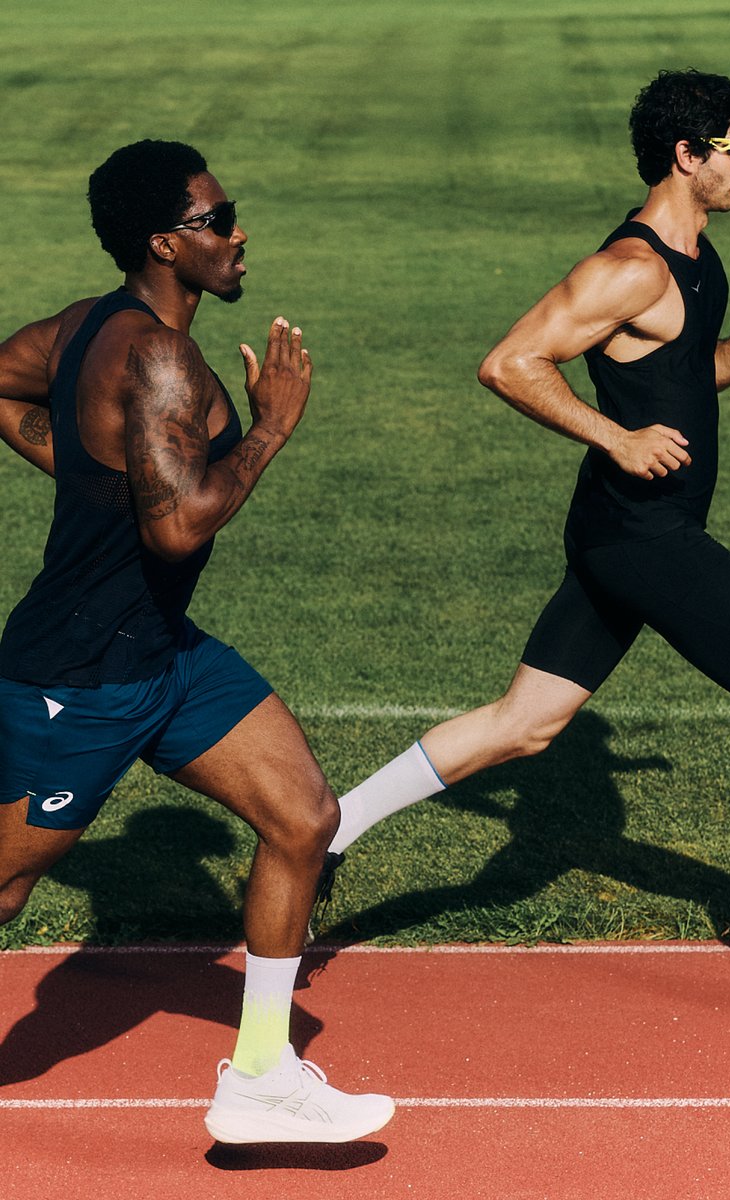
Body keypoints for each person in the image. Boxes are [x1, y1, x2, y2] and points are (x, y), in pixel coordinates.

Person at [317, 69, 730, 977]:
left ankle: (327, 829)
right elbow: (508, 363)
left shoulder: (698, 256)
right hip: (649, 540)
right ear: (685, 156)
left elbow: (686, 385)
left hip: (623, 535)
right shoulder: (629, 268)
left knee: (525, 724)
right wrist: (614, 436)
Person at [0, 139, 394, 1144]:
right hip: (80, 675)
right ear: (164, 243)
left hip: (164, 653)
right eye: (219, 221)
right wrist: (269, 428)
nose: (237, 233)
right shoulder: (160, 356)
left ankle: (259, 1079)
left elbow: (7, 385)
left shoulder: (79, 327)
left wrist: (87, 473)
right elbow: (177, 525)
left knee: (303, 818)